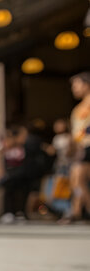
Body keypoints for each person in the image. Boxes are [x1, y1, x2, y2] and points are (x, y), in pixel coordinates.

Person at [67, 72, 90, 221]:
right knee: (76, 180)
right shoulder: (78, 108)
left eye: (77, 84)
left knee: (78, 180)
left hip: (88, 146)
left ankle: (78, 211)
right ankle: (76, 210)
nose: (74, 88)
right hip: (83, 148)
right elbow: (76, 133)